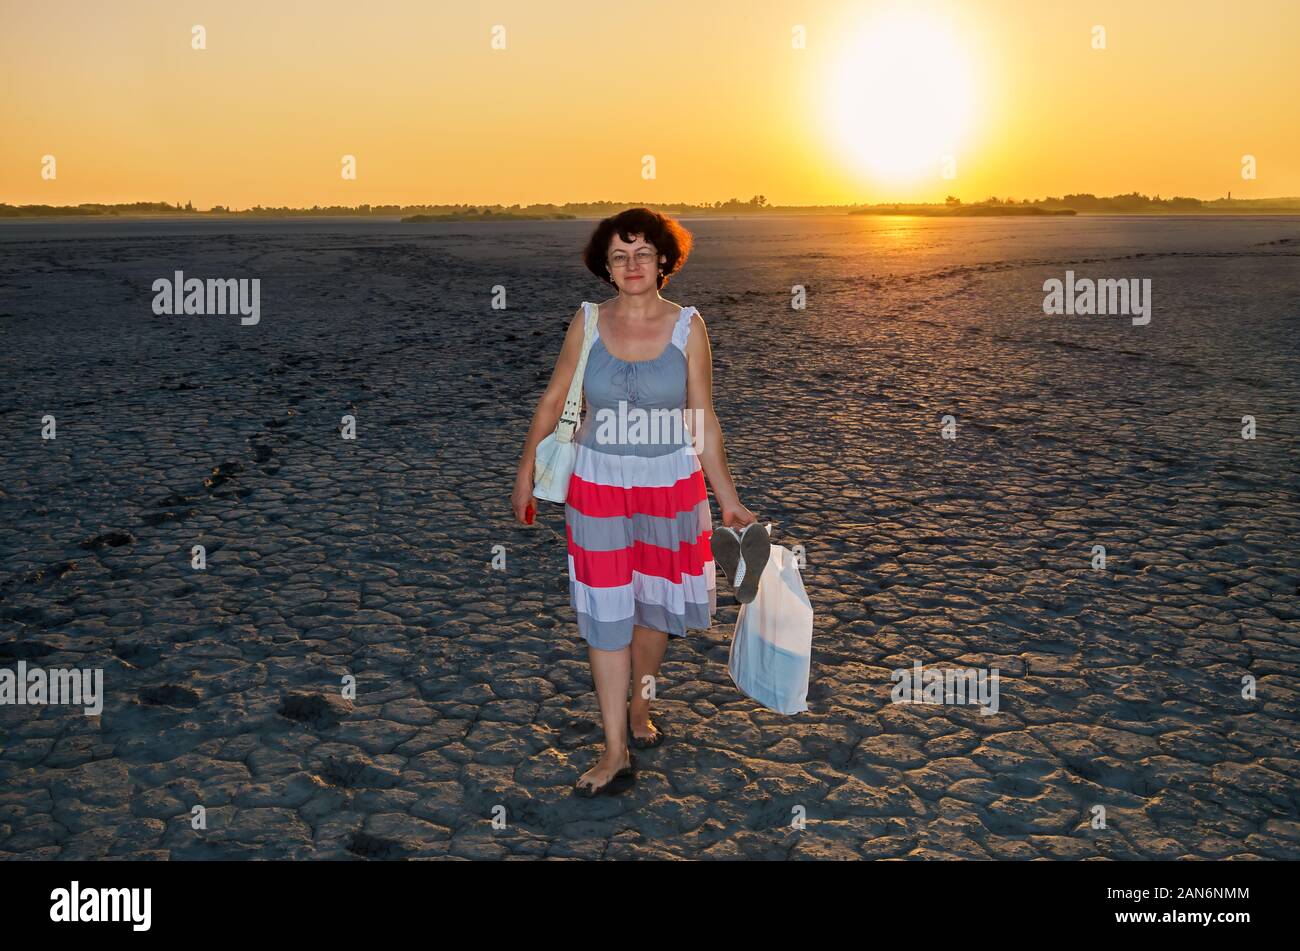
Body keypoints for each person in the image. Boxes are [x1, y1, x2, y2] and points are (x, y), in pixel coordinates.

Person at [512, 207, 756, 795]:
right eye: (619, 256)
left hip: (671, 486)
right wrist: (525, 471)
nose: (631, 264)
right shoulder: (589, 322)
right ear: (606, 266)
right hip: (596, 486)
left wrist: (727, 499)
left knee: (652, 611)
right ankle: (615, 749)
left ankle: (640, 708)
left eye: (642, 252)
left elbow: (703, 418)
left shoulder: (688, 326)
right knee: (606, 612)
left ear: (664, 260)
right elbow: (553, 400)